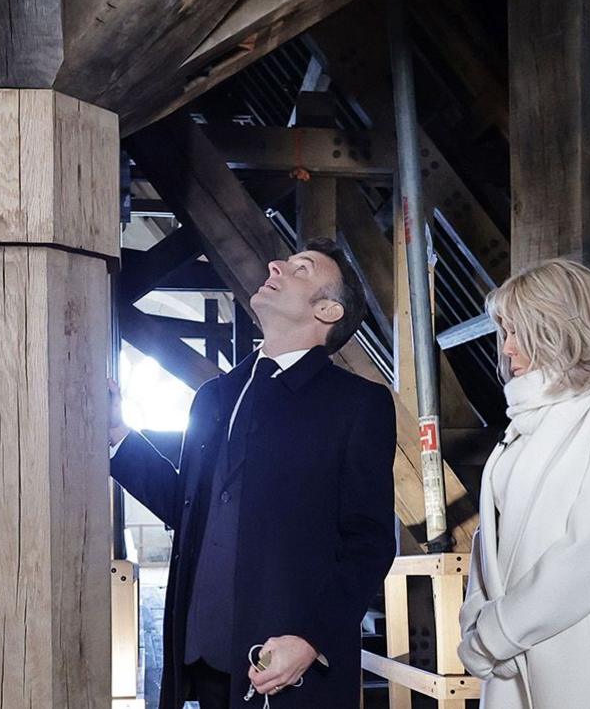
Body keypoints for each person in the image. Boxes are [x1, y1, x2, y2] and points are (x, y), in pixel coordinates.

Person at [109, 239, 397, 708]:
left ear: (327, 310)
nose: (276, 265)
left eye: (300, 269)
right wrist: (116, 432)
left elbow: (369, 541)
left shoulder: (357, 405)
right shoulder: (214, 395)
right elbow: (188, 505)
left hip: (284, 665)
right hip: (200, 661)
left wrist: (311, 638)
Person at [458, 258, 590, 709]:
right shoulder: (524, 420)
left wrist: (495, 634)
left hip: (579, 653)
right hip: (509, 658)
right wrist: (474, 619)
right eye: (505, 332)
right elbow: (491, 539)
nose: (507, 349)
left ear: (562, 328)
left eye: (519, 332)